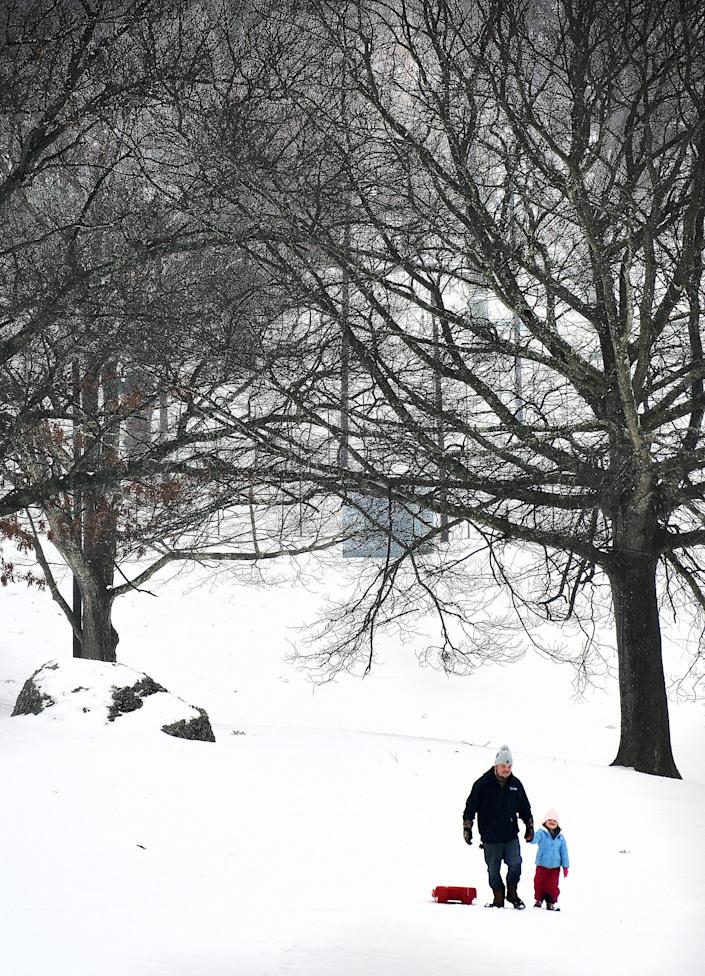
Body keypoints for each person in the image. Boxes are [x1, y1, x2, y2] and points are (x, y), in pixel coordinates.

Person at [462, 744, 534, 909]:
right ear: (496, 765)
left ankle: (512, 893)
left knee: (516, 864)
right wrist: (467, 827)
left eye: (509, 766)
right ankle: (498, 897)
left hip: (510, 836)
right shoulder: (482, 784)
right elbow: (470, 807)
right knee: (493, 871)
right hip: (490, 837)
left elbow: (525, 807)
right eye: (503, 765)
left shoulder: (516, 784)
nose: (507, 769)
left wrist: (529, 826)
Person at [529, 808, 570, 910]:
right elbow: (535, 839)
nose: (552, 822)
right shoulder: (541, 833)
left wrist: (565, 866)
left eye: (554, 821)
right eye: (549, 820)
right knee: (539, 883)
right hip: (542, 865)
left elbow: (564, 852)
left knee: (553, 885)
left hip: (555, 867)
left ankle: (550, 902)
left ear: (558, 823)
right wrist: (530, 836)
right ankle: (538, 900)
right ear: (545, 822)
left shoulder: (560, 837)